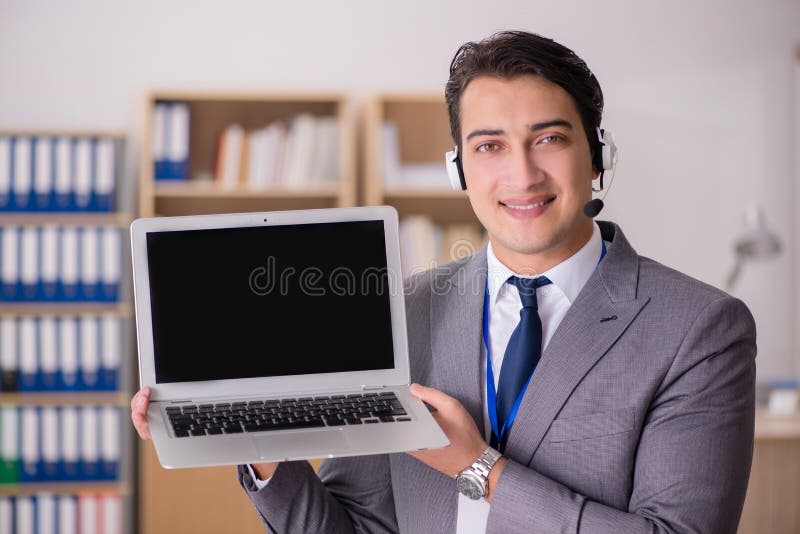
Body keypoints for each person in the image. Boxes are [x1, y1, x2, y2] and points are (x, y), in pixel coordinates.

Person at [131, 30, 756, 533]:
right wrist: (263, 444)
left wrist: (479, 468)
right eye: (490, 147)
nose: (522, 173)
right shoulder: (404, 310)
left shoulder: (699, 329)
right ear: (459, 170)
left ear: (598, 155)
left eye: (550, 138)